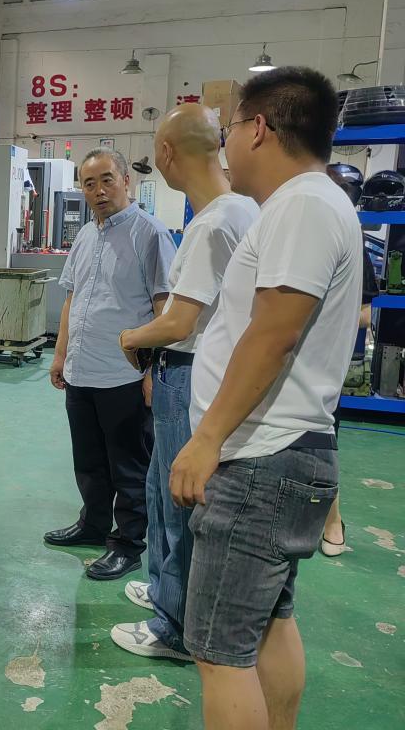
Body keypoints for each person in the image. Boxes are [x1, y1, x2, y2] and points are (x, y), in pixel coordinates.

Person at [171, 67, 362, 730]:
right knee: (272, 623)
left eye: (229, 129)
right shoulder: (316, 203)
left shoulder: (303, 205)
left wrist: (207, 438)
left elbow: (273, 333)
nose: (225, 145)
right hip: (286, 453)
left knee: (220, 653)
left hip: (260, 459)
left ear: (258, 129)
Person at [109, 104, 259, 660]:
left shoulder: (213, 223)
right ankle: (163, 589)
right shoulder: (242, 209)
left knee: (177, 500)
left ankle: (173, 625)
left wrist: (131, 337)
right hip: (194, 370)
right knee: (159, 487)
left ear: (167, 153)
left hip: (190, 372)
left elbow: (178, 322)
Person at [44, 148, 176, 581]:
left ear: (126, 181)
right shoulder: (86, 235)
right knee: (88, 460)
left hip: (124, 375)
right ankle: (94, 523)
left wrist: (153, 373)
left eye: (107, 180)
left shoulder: (150, 234)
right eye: (89, 183)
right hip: (82, 370)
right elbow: (72, 299)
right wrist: (60, 354)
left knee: (129, 467)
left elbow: (164, 308)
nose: (99, 191)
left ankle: (128, 544)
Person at [321, 165, 381, 557]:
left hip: (325, 360)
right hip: (286, 356)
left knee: (323, 439)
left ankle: (332, 520)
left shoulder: (351, 238)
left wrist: (317, 312)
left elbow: (365, 313)